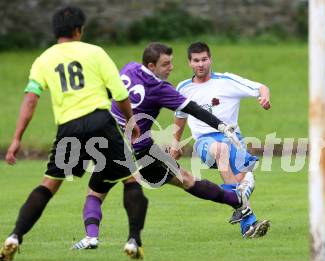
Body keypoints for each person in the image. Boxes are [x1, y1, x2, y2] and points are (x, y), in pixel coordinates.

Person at [72, 42, 258, 249]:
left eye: (171, 62)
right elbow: (194, 110)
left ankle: (91, 237)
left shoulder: (129, 68)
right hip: (142, 151)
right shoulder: (160, 89)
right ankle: (237, 200)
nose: (171, 67)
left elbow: (109, 92)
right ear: (151, 66)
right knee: (186, 180)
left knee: (95, 194)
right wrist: (222, 126)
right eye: (166, 64)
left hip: (110, 145)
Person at [0, 6, 147, 261]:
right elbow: (120, 95)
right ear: (79, 30)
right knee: (130, 179)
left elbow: (31, 99)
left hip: (69, 129)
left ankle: (14, 236)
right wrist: (132, 122)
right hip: (100, 122)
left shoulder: (43, 60)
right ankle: (134, 240)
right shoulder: (95, 53)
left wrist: (16, 138)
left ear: (55, 31)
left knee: (49, 185)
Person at [172, 42, 271, 238]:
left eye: (204, 59)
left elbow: (261, 87)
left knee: (246, 182)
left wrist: (264, 98)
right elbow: (180, 117)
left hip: (234, 138)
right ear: (189, 63)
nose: (200, 64)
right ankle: (242, 208)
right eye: (196, 60)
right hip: (205, 142)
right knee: (219, 149)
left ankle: (248, 226)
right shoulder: (183, 88)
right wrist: (175, 141)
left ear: (211, 60)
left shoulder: (226, 81)